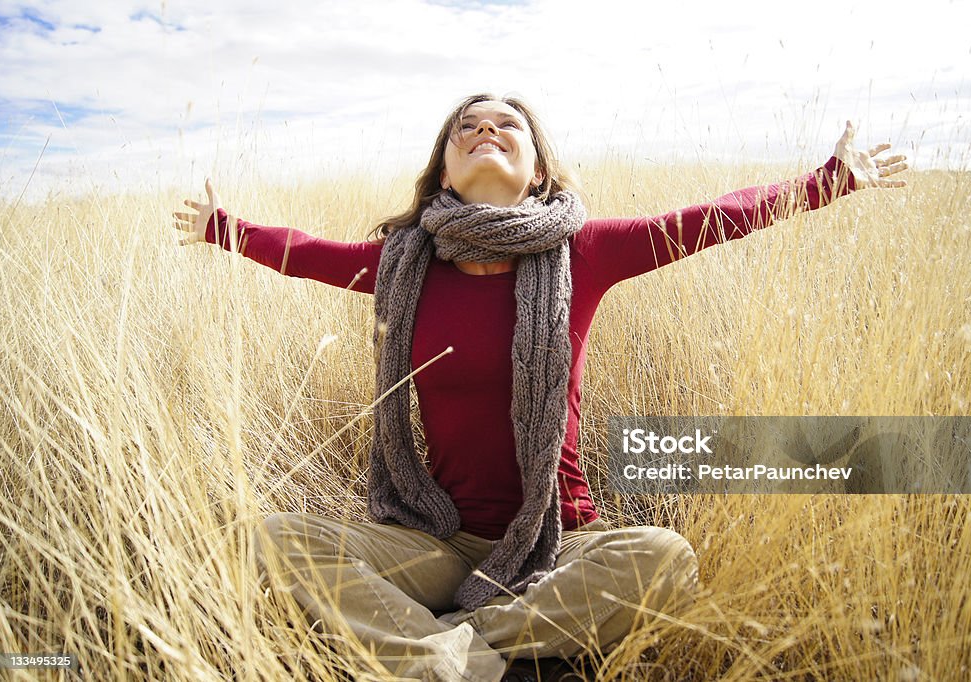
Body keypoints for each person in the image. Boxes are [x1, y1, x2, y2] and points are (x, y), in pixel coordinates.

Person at [173, 94, 907, 681]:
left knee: (663, 556)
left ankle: (448, 651)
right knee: (271, 538)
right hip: (440, 539)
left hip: (560, 540)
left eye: (506, 125)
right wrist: (221, 226)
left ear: (538, 170)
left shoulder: (582, 252)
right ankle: (485, 659)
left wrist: (829, 181)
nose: (485, 129)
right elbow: (303, 255)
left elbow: (708, 222)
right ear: (444, 172)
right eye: (467, 127)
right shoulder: (405, 266)